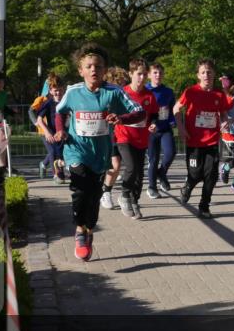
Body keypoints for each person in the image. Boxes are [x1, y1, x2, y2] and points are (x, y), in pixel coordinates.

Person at [53, 44, 143, 260]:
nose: (94, 70)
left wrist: (121, 119)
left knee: (93, 196)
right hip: (76, 150)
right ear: (81, 70)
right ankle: (78, 231)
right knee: (79, 190)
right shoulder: (73, 92)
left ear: (105, 70)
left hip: (100, 155)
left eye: (98, 66)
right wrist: (59, 130)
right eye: (89, 66)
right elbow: (60, 112)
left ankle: (89, 230)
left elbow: (139, 112)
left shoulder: (114, 92)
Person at [174, 59, 231, 219]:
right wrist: (181, 127)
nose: (207, 75)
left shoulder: (219, 95)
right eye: (203, 72)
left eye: (209, 72)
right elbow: (175, 109)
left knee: (211, 176)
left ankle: (204, 206)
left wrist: (225, 121)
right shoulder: (190, 92)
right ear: (198, 75)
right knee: (195, 173)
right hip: (194, 141)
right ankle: (187, 187)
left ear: (214, 74)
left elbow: (223, 113)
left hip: (212, 141)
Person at [115, 59, 159, 219]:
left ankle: (135, 201)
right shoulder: (122, 93)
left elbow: (154, 115)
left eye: (144, 74)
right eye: (138, 74)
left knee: (139, 175)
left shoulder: (150, 96)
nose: (142, 78)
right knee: (131, 167)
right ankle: (124, 195)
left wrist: (153, 124)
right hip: (124, 137)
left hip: (141, 139)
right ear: (131, 74)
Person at [145, 62, 178, 199]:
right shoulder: (145, 91)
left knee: (170, 153)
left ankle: (161, 173)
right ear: (149, 75)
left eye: (160, 73)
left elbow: (171, 109)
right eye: (155, 72)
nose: (158, 75)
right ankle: (152, 187)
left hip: (165, 129)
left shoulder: (168, 92)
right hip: (150, 131)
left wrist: (173, 121)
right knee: (153, 159)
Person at [99, 66, 129, 210]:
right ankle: (103, 191)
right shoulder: (104, 95)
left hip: (120, 136)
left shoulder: (124, 96)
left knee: (117, 166)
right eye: (121, 83)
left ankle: (107, 192)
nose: (124, 86)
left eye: (124, 83)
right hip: (104, 136)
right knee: (108, 166)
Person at [34, 75, 67, 184]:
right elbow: (39, 120)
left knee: (61, 152)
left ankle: (46, 165)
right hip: (48, 132)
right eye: (55, 91)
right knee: (53, 151)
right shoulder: (48, 103)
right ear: (51, 91)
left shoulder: (67, 101)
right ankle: (56, 174)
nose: (58, 93)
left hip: (62, 132)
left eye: (60, 90)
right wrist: (47, 132)